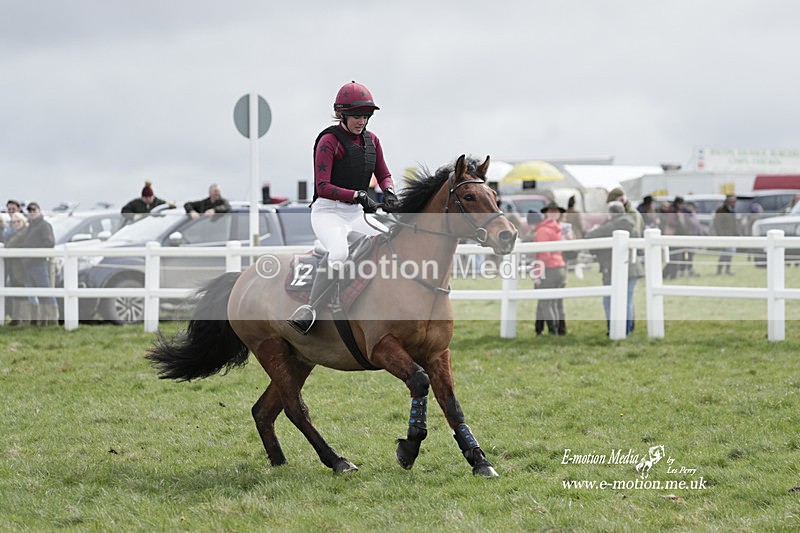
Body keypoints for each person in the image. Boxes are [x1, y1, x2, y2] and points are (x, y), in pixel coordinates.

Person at [288, 81, 398, 334]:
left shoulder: (373, 141)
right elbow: (323, 185)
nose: (361, 121)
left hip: (355, 214)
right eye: (356, 116)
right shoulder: (329, 141)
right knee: (338, 254)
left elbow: (384, 174)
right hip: (328, 212)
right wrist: (358, 194)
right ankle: (311, 310)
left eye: (366, 116)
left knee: (388, 243)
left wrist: (389, 192)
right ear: (343, 114)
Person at [585, 201, 644, 335]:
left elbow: (590, 236)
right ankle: (627, 329)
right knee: (627, 300)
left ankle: (614, 328)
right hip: (633, 267)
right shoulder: (631, 223)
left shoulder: (613, 225)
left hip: (614, 268)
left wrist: (595, 228)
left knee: (609, 300)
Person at [20, 202, 58, 326]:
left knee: (46, 292)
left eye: (34, 210)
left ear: (39, 210)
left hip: (39, 263)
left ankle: (52, 319)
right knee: (39, 294)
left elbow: (49, 242)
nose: (32, 212)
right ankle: (43, 319)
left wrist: (35, 252)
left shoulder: (44, 225)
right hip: (29, 264)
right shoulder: (31, 226)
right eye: (29, 210)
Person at [532, 201, 567, 336]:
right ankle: (558, 330)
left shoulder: (543, 230)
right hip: (560, 267)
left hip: (549, 268)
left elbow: (543, 255)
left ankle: (553, 331)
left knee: (546, 303)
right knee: (554, 302)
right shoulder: (557, 228)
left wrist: (537, 274)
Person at [4, 213, 30, 325]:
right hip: (15, 267)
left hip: (22, 267)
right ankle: (17, 317)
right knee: (17, 290)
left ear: (23, 221)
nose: (16, 224)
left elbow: (10, 246)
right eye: (14, 222)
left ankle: (24, 318)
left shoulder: (23, 233)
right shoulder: (16, 233)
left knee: (22, 291)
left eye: (18, 221)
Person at [713, 195, 739, 275]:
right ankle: (719, 270)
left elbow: (734, 224)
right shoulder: (721, 210)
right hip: (724, 235)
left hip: (731, 235)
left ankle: (727, 269)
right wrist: (720, 235)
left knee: (730, 253)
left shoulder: (732, 211)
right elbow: (717, 224)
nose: (733, 203)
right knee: (725, 254)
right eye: (732, 201)